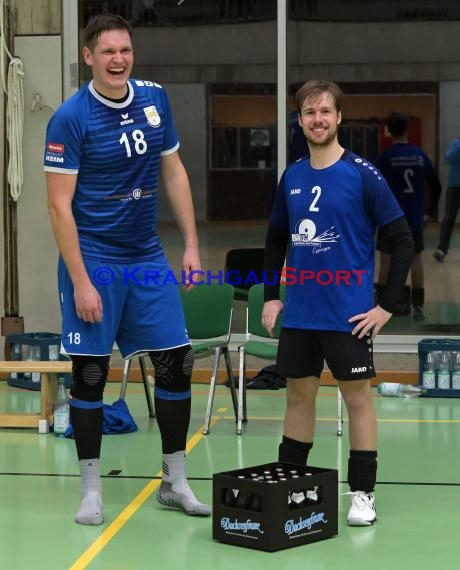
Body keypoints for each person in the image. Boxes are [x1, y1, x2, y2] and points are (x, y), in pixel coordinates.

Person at [44, 13, 210, 525]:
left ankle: (174, 481)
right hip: (94, 258)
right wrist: (80, 281)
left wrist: (191, 245)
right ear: (88, 57)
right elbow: (58, 207)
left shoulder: (155, 99)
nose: (119, 59)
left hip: (145, 256)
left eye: (126, 50)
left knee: (176, 363)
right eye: (108, 51)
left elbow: (174, 170)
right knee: (90, 373)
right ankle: (91, 489)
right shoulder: (71, 118)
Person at [261, 80, 414, 526]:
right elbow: (274, 238)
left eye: (325, 111)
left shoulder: (363, 174)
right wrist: (272, 295)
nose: (318, 120)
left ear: (340, 117)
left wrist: (386, 306)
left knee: (358, 402)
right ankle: (292, 485)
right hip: (302, 314)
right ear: (300, 120)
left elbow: (402, 242)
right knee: (297, 398)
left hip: (349, 316)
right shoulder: (291, 176)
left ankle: (363, 494)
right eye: (309, 113)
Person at [375, 112, 441, 321]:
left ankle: (381, 306)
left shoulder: (385, 157)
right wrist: (429, 212)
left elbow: (375, 188)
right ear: (407, 130)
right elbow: (436, 185)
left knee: (386, 262)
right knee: (416, 261)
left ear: (389, 131)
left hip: (389, 219)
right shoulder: (420, 156)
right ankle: (418, 307)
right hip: (413, 219)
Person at [433, 137, 460, 262]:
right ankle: (442, 250)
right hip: (454, 187)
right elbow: (447, 159)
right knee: (448, 218)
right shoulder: (456, 144)